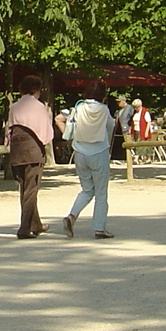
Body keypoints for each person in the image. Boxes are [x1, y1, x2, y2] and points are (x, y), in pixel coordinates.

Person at [63, 81, 115, 239]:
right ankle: (99, 228)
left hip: (80, 152)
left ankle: (72, 215)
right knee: (100, 193)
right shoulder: (104, 109)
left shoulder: (79, 108)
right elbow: (111, 126)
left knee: (87, 189)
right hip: (99, 152)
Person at [7, 75, 54, 239]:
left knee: (24, 188)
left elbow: (9, 129)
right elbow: (45, 130)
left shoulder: (14, 107)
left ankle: (36, 224)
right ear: (36, 90)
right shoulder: (39, 106)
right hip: (33, 149)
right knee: (31, 188)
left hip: (17, 149)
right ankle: (24, 227)